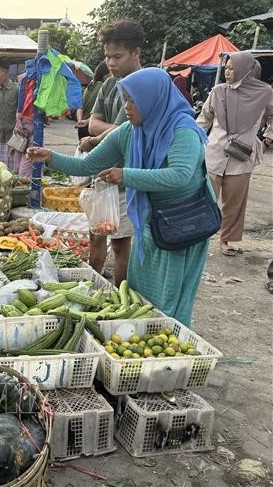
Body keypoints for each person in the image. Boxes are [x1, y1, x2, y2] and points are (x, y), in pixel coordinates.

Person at [27, 68, 210, 326]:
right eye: (124, 99)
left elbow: (179, 175)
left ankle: (170, 343)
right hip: (151, 222)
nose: (127, 107)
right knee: (140, 292)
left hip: (184, 223)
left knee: (170, 297)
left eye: (133, 101)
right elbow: (87, 165)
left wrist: (126, 175)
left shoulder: (183, 131)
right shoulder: (128, 132)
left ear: (153, 99)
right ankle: (143, 336)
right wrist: (51, 157)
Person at [80, 19, 144, 286]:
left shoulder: (143, 84)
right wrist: (109, 132)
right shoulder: (108, 85)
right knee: (97, 235)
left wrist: (101, 136)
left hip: (127, 176)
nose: (110, 62)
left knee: (121, 245)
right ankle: (93, 290)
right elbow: (94, 124)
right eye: (107, 56)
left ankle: (120, 296)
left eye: (117, 56)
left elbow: (123, 130)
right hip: (101, 175)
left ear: (136, 53)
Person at [196, 51, 273, 256]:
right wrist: (192, 139)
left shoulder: (265, 93)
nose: (228, 73)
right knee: (205, 197)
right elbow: (204, 119)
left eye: (232, 69)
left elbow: (272, 117)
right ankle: (198, 236)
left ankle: (226, 240)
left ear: (246, 71)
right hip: (214, 153)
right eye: (227, 68)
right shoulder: (219, 91)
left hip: (242, 157)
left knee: (234, 202)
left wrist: (266, 140)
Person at [75, 61, 110, 140]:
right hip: (93, 127)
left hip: (82, 127)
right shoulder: (103, 87)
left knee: (82, 151)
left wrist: (80, 120)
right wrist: (88, 121)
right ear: (105, 74)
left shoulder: (90, 85)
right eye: (110, 73)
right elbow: (102, 111)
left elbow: (80, 106)